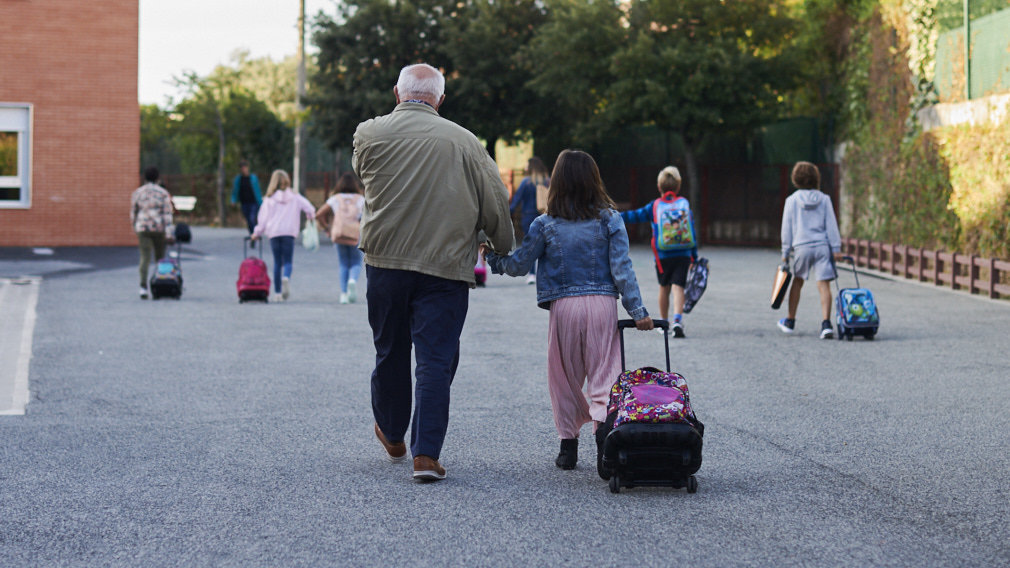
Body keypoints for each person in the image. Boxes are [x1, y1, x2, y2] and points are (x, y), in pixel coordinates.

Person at [353, 63, 514, 482]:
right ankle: (426, 455)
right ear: (440, 99)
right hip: (445, 269)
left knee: (389, 349)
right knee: (436, 360)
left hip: (385, 263)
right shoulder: (465, 141)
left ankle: (391, 433)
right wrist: (501, 244)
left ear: (397, 92)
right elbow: (494, 197)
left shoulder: (368, 133)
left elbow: (365, 177)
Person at [483, 149, 653, 471]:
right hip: (603, 304)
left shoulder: (545, 224)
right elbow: (622, 270)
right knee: (605, 374)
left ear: (557, 182)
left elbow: (520, 265)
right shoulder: (610, 219)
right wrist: (638, 311)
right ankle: (605, 438)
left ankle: (568, 446)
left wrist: (493, 259)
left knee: (563, 376)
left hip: (563, 307)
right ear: (594, 180)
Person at [619, 166, 698, 338]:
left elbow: (634, 216)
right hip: (683, 253)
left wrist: (615, 216)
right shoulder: (684, 205)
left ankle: (663, 323)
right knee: (679, 287)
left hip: (663, 256)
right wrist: (694, 255)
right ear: (678, 186)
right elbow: (691, 230)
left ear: (659, 186)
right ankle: (678, 320)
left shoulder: (654, 206)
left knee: (664, 288)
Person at [778, 161, 843, 339]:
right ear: (816, 178)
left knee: (797, 282)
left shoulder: (791, 201)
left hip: (801, 247)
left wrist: (785, 253)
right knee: (824, 285)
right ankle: (826, 324)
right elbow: (831, 225)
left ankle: (790, 321)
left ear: (796, 178)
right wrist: (836, 248)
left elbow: (787, 229)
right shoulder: (824, 199)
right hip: (822, 246)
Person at [250, 169, 317, 302]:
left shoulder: (269, 200)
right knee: (287, 261)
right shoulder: (295, 197)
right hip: (289, 233)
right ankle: (286, 277)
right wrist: (310, 217)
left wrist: (256, 233)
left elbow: (262, 219)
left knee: (277, 262)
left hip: (274, 233)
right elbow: (310, 209)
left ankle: (278, 293)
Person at [315, 172, 366, 304]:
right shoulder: (360, 199)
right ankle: (352, 280)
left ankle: (343, 294)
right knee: (356, 262)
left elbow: (319, 214)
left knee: (343, 263)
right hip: (355, 234)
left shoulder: (335, 198)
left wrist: (327, 228)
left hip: (338, 234)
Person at [130, 166, 174, 300]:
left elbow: (133, 212)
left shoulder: (138, 193)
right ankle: (160, 285)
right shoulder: (163, 193)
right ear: (157, 177)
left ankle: (143, 287)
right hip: (159, 229)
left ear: (144, 177)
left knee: (144, 257)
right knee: (160, 259)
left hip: (143, 228)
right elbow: (167, 214)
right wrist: (169, 233)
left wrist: (135, 227)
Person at [509, 156, 550, 284]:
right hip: (545, 216)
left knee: (530, 245)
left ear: (531, 167)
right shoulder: (547, 181)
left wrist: (507, 213)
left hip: (528, 217)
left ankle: (532, 274)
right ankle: (546, 273)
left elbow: (517, 200)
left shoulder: (526, 182)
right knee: (547, 244)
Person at [231, 160, 263, 245]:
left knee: (252, 218)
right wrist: (233, 200)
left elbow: (257, 191)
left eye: (244, 167)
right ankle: (252, 235)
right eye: (242, 168)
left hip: (253, 202)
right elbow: (235, 191)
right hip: (244, 203)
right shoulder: (238, 179)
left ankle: (254, 235)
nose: (243, 169)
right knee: (248, 221)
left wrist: (261, 202)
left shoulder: (253, 178)